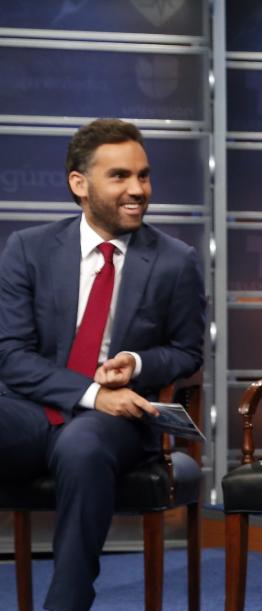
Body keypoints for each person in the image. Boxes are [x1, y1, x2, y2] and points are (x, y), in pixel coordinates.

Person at [0, 119, 206, 611]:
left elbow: (187, 352)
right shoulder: (28, 250)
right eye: (119, 176)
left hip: (112, 425)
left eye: (144, 175)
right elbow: (11, 354)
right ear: (80, 184)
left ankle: (67, 602)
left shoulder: (176, 260)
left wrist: (134, 363)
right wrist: (93, 393)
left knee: (82, 449)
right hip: (32, 409)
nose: (138, 190)